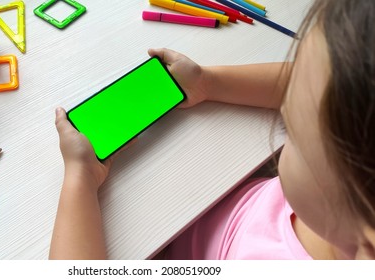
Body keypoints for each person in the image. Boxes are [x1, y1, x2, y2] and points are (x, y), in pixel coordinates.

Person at [49, 0, 375, 260]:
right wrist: (208, 82)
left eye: (292, 130)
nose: (286, 108)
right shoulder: (346, 210)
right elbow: (314, 85)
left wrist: (81, 175)